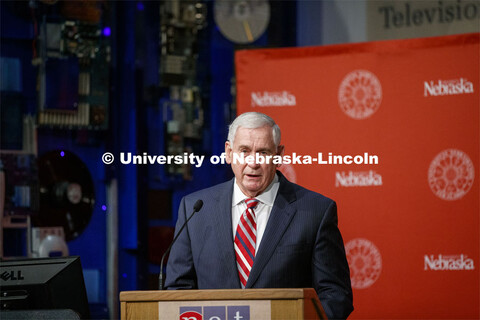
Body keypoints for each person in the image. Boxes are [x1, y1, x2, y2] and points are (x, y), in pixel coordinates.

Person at [165, 112, 353, 319]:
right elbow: (178, 290)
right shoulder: (195, 209)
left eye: (263, 152)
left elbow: (335, 295)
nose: (253, 163)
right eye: (244, 151)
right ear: (228, 152)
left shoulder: (315, 211)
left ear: (279, 155)